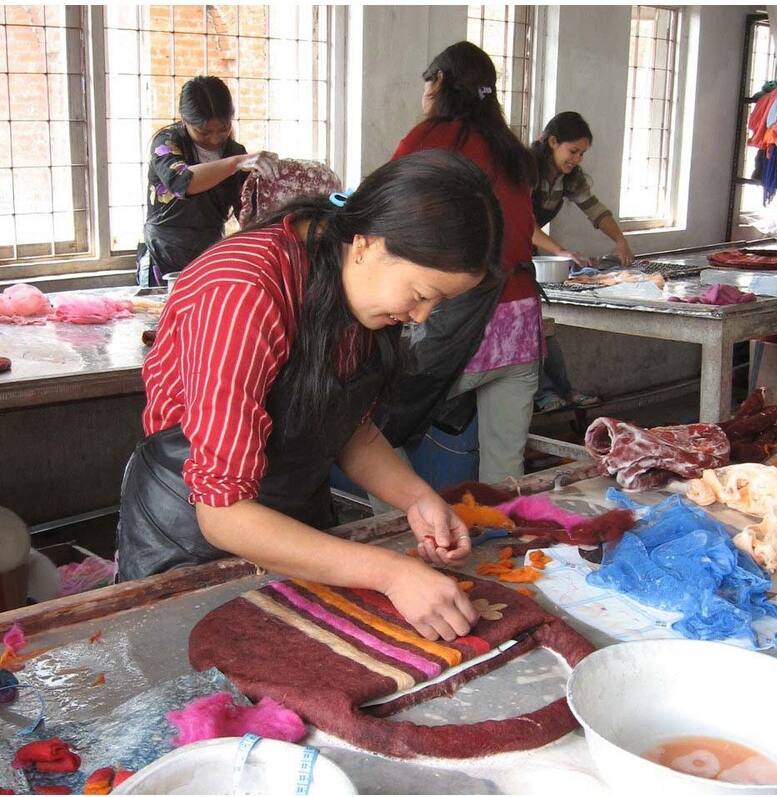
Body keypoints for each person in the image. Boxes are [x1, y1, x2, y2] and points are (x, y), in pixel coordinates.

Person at [117, 149, 505, 643]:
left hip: (293, 528)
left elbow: (347, 428)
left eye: (440, 302)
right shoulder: (245, 290)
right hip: (192, 537)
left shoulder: (351, 283)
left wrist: (417, 498)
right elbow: (222, 511)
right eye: (422, 293)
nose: (423, 317)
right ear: (366, 244)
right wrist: (391, 572)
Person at [384, 41, 542, 485]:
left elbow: (384, 214)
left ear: (439, 82)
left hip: (462, 324)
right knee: (504, 472)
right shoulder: (512, 150)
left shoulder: (429, 139)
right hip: (520, 325)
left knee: (372, 429)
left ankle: (407, 533)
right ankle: (505, 546)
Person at [530, 112, 634, 412]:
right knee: (531, 328)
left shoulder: (568, 179)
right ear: (552, 142)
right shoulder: (527, 171)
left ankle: (560, 390)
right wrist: (561, 252)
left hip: (528, 252)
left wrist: (620, 239)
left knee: (542, 327)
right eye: (572, 151)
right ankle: (544, 394)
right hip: (503, 250)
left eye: (581, 153)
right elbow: (521, 222)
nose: (576, 159)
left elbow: (595, 210)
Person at [137, 75, 280, 287]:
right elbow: (182, 182)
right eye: (204, 133)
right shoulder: (167, 142)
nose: (214, 139)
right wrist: (235, 164)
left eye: (223, 130)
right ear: (184, 120)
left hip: (209, 256)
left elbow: (248, 212)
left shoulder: (234, 152)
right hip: (164, 254)